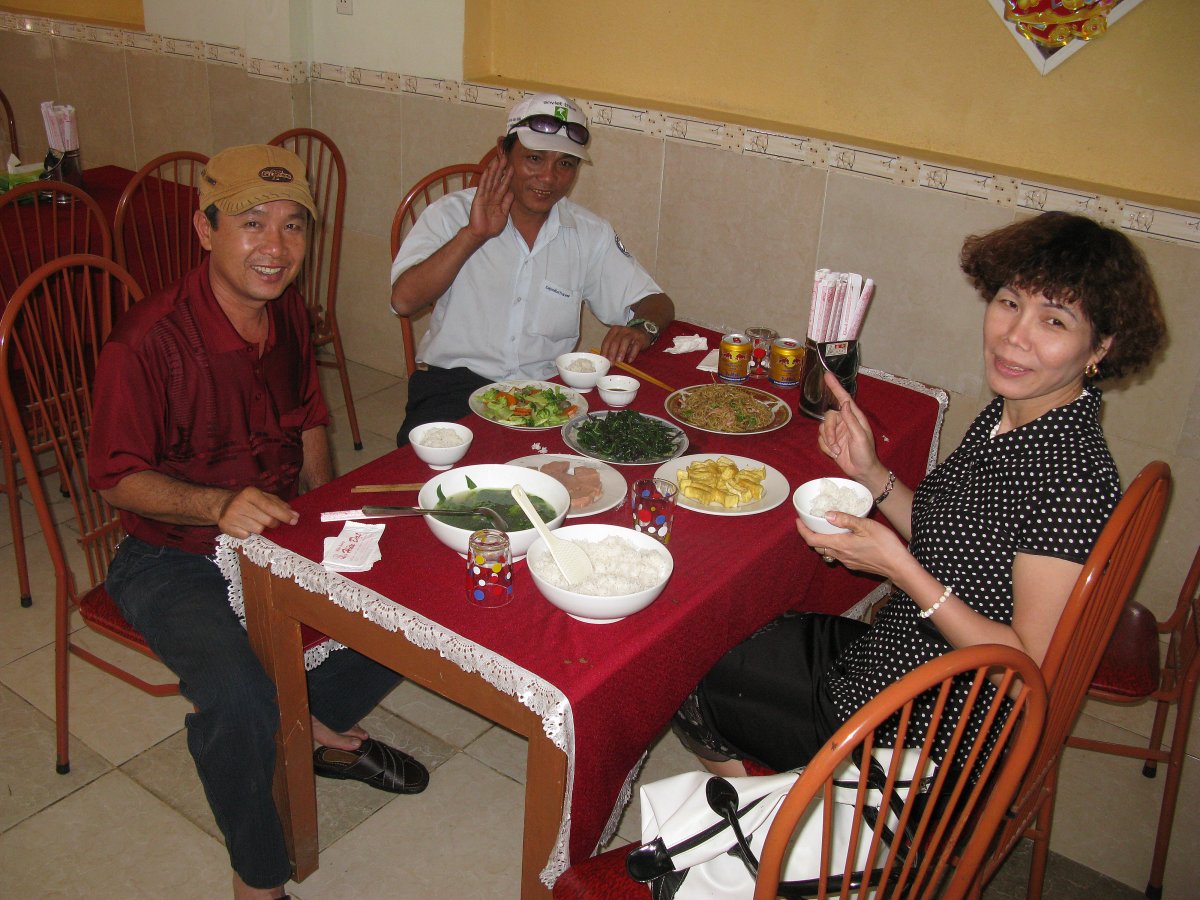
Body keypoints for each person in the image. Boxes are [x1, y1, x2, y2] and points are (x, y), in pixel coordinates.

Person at [672, 211, 1167, 775]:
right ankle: (781, 799)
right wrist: (871, 473)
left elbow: (1023, 674)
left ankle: (781, 817)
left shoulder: (1072, 477)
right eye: (1009, 302)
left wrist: (902, 571)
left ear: (1100, 346)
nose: (1014, 335)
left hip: (932, 725)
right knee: (723, 633)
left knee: (690, 677)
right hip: (897, 654)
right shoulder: (1014, 415)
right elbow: (950, 538)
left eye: (1053, 321)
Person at [88, 145, 427, 900]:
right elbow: (114, 478)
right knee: (237, 696)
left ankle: (307, 725)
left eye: (293, 226)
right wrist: (215, 504)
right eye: (252, 223)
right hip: (170, 552)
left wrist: (329, 516)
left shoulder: (289, 313)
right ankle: (258, 879)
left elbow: (308, 417)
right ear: (205, 229)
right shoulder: (145, 343)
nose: (275, 247)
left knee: (416, 596)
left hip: (276, 528)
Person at [389, 92, 675, 445]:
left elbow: (657, 302)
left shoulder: (588, 233)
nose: (549, 178)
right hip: (453, 387)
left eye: (565, 164)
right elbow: (403, 301)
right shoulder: (451, 215)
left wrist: (643, 327)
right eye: (535, 158)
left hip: (547, 397)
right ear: (503, 152)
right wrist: (473, 235)